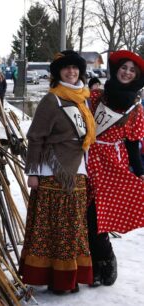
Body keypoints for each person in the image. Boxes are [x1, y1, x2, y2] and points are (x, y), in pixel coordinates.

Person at [19, 50, 95, 293]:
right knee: (53, 228)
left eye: (75, 68)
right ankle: (55, 278)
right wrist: (32, 172)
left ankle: (69, 276)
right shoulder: (52, 100)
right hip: (53, 172)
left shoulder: (82, 99)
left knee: (73, 227)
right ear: (58, 72)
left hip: (78, 171)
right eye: (66, 68)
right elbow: (35, 137)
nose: (71, 72)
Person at [87, 50, 144, 287]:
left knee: (97, 216)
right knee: (83, 212)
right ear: (116, 69)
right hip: (87, 158)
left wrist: (139, 172)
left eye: (133, 70)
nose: (127, 72)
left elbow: (132, 144)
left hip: (112, 163)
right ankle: (90, 263)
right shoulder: (96, 97)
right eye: (124, 67)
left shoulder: (135, 110)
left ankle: (106, 260)